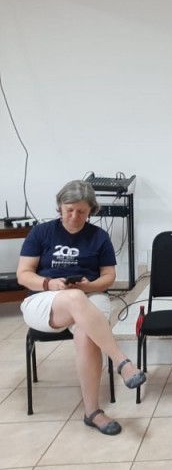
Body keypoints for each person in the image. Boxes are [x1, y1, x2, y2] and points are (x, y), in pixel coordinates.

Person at [17, 180, 146, 435]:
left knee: (87, 334)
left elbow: (108, 277)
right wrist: (49, 283)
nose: (75, 216)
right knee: (75, 298)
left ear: (90, 211)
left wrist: (90, 286)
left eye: (82, 212)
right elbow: (23, 274)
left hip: (90, 295)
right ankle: (122, 362)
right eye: (69, 210)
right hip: (45, 299)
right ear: (60, 207)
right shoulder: (41, 233)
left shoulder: (99, 237)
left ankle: (93, 412)